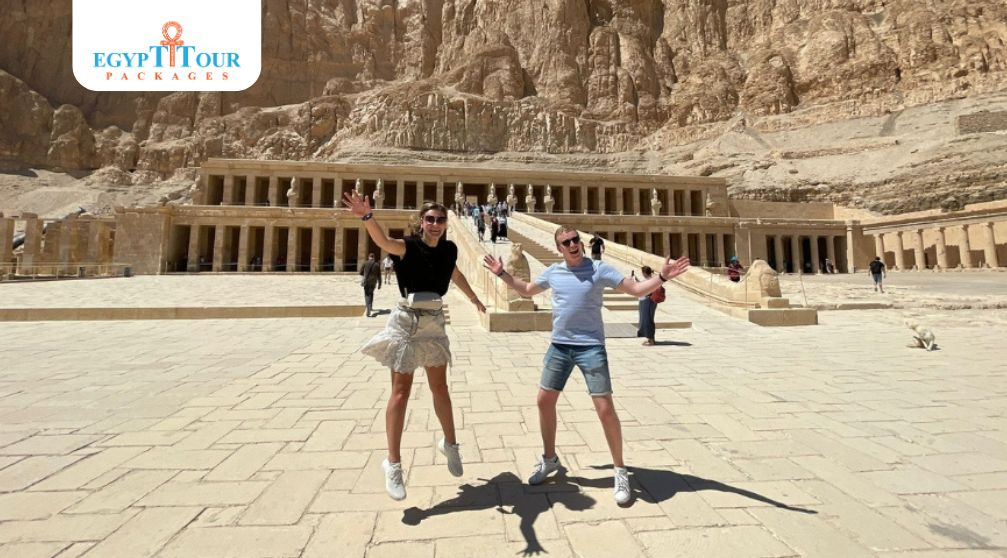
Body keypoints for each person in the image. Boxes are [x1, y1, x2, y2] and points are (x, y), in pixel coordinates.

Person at [484, 225, 689, 505]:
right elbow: (528, 290)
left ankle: (620, 470)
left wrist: (662, 277)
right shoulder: (554, 272)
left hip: (591, 347)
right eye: (566, 242)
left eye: (575, 240)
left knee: (605, 409)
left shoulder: (599, 269)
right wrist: (502, 273)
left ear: (581, 243)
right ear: (559, 248)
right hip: (559, 345)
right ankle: (549, 459)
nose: (572, 245)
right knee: (544, 401)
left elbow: (635, 289)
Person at [342, 192, 487, 501]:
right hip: (407, 322)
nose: (435, 224)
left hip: (434, 322)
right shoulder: (408, 246)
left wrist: (474, 298)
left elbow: (454, 273)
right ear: (421, 222)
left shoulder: (449, 249)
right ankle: (393, 464)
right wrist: (367, 217)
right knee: (401, 392)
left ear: (446, 224)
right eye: (430, 219)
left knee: (440, 388)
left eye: (440, 219)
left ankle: (450, 444)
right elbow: (383, 242)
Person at [636, 266, 660, 346]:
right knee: (646, 320)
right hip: (646, 301)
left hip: (648, 302)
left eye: (642, 272)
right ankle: (650, 338)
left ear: (645, 273)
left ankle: (651, 340)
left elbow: (647, 291)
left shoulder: (650, 281)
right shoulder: (651, 280)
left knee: (648, 320)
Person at [360, 253, 382, 317]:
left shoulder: (365, 263)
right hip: (373, 282)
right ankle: (370, 306)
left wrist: (365, 275)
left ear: (368, 257)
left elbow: (360, 272)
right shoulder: (377, 264)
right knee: (371, 293)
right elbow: (379, 275)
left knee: (367, 295)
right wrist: (380, 284)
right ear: (374, 258)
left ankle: (368, 307)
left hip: (367, 281)